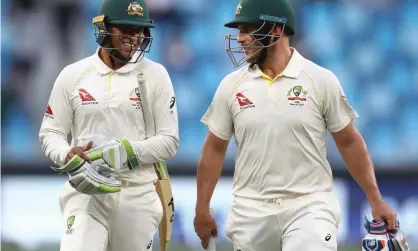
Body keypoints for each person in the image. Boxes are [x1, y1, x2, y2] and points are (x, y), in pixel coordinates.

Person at [193, 0, 397, 250]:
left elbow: (349, 141)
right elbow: (214, 149)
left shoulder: (320, 80)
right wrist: (202, 208)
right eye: (239, 31)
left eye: (248, 29)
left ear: (276, 31)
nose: (240, 39)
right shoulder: (230, 86)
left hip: (309, 206)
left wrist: (375, 199)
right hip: (250, 211)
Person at [38, 0, 179, 250]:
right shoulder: (73, 75)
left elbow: (169, 142)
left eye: (139, 31)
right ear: (104, 28)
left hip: (138, 193)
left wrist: (126, 152)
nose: (133, 38)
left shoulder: (155, 75)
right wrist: (65, 153)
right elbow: (51, 132)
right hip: (86, 191)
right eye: (124, 29)